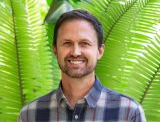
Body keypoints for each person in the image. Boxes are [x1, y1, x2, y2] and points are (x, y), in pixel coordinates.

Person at [18, 9, 146, 122]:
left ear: (99, 51)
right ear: (55, 50)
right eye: (67, 43)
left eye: (84, 43)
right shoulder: (30, 115)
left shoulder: (129, 113)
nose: (75, 52)